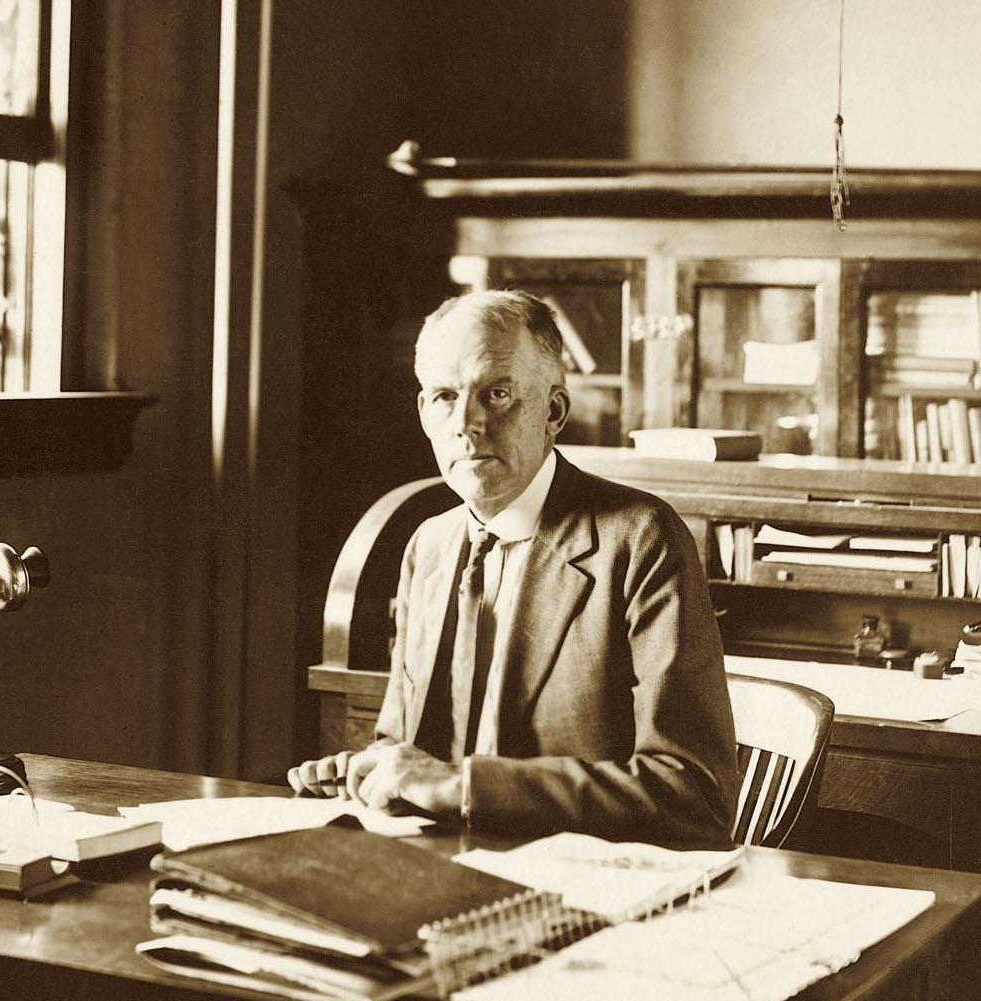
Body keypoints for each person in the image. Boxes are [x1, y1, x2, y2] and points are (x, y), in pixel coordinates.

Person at [289, 286, 739, 849]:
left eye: (496, 394)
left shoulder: (641, 538)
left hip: (579, 891)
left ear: (554, 411)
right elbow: (409, 746)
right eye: (444, 397)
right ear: (424, 412)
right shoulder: (427, 546)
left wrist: (463, 786)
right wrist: (373, 768)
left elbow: (693, 795)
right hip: (441, 871)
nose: (467, 424)